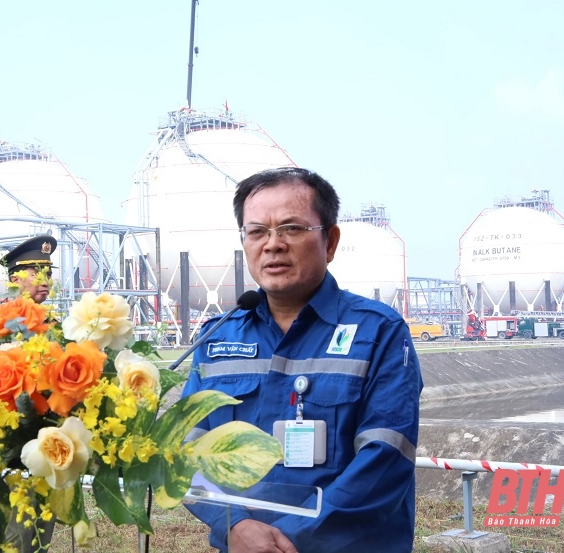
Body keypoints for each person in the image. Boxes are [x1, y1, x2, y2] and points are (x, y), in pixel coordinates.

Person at [181, 167, 423, 553]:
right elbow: (185, 453)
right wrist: (235, 524)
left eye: (291, 229)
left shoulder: (378, 331)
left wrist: (286, 538)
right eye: (257, 231)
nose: (273, 244)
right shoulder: (218, 338)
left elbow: (386, 459)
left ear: (330, 242)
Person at [0, 234, 59, 552]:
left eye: (48, 272)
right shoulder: (0, 326)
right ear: (14, 278)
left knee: (38, 538)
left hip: (45, 451)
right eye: (36, 272)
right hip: (7, 458)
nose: (45, 280)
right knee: (13, 539)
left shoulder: (54, 326)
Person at [0, 234, 57, 304]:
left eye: (48, 274)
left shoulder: (47, 314)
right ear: (15, 280)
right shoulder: (6, 314)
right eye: (36, 275)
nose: (45, 283)